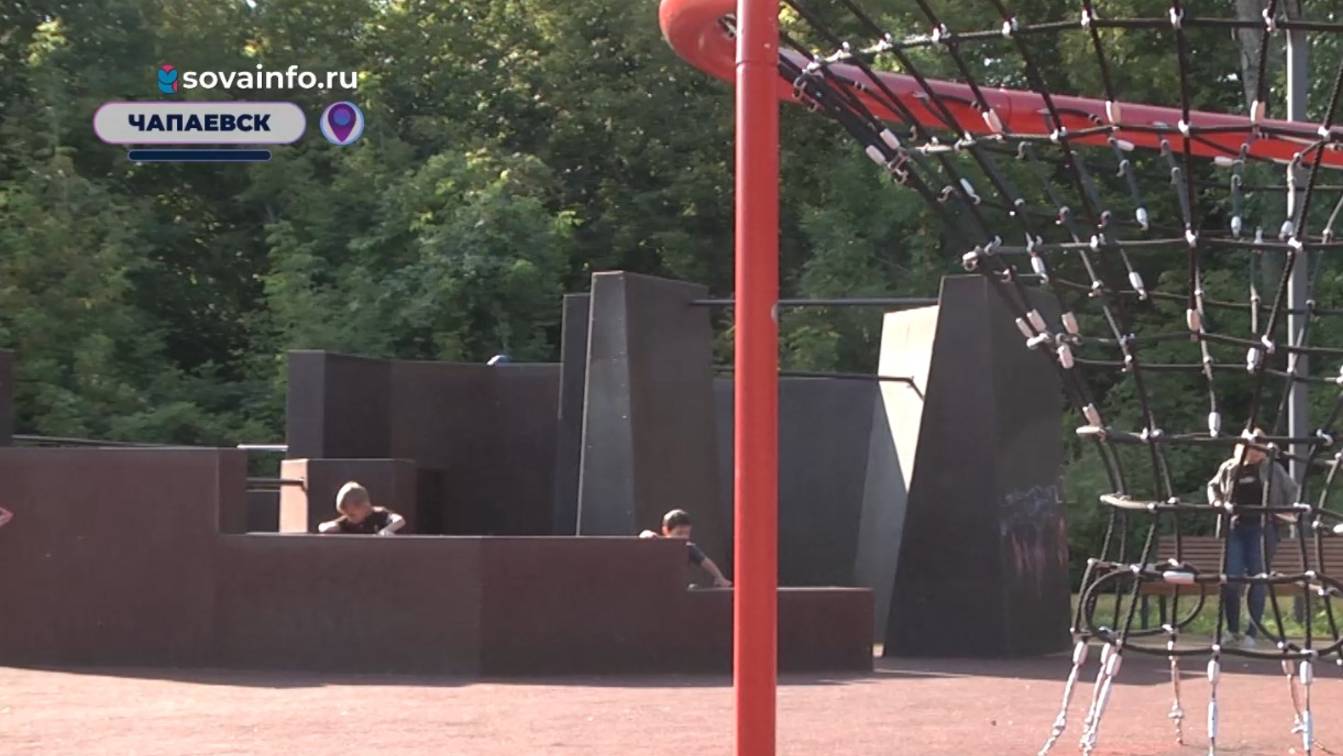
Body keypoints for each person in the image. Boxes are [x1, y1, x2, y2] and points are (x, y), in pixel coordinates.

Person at [1206, 429, 1298, 648]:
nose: (1254, 452)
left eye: (1258, 448)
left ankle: (1252, 633)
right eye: (1249, 447)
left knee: (1258, 579)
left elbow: (1292, 490)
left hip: (1262, 529)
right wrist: (1217, 503)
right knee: (1231, 580)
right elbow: (1213, 486)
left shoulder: (1273, 468)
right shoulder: (1230, 467)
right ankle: (1232, 629)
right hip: (1236, 528)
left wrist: (1284, 513)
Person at [639, 508, 731, 587]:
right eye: (679, 533)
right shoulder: (657, 543)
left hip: (677, 588)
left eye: (687, 533)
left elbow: (707, 563)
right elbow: (644, 535)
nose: (684, 537)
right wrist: (646, 535)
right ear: (666, 530)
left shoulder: (688, 548)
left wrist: (719, 577)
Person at [318, 482, 406, 536]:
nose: (349, 518)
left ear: (365, 506)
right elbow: (322, 526)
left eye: (352, 514)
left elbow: (400, 520)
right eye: (346, 515)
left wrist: (386, 530)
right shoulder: (348, 522)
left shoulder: (380, 515)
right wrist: (333, 527)